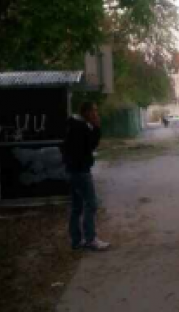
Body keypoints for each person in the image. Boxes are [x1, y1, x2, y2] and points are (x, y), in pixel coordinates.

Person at [62, 102, 109, 251]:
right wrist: (96, 127)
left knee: (77, 207)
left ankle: (76, 240)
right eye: (94, 111)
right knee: (91, 204)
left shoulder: (75, 125)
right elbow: (91, 145)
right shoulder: (80, 127)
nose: (96, 114)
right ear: (86, 112)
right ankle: (90, 239)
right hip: (80, 172)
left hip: (72, 171)